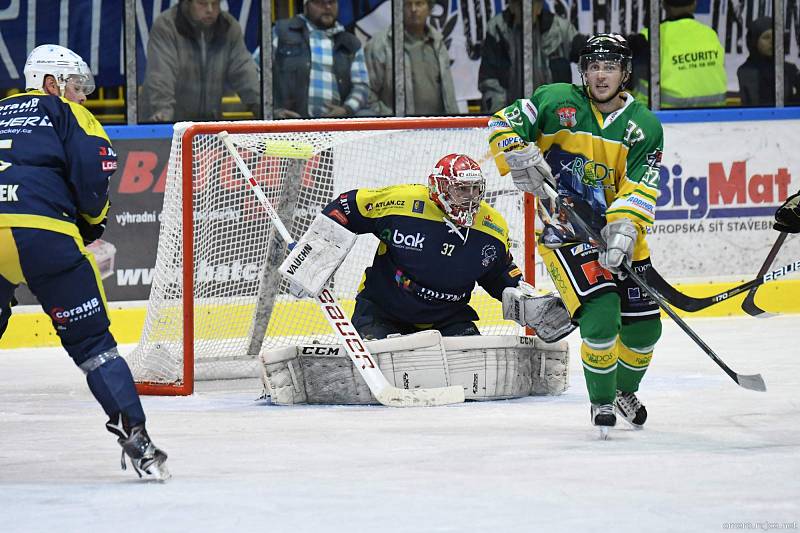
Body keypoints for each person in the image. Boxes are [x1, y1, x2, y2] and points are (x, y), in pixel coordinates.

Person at [0, 45, 168, 479]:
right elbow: (94, 178)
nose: (82, 96)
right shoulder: (68, 114)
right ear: (50, 84)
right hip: (43, 235)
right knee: (94, 346)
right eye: (75, 86)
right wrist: (92, 224)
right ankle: (137, 438)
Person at [487, 34, 665, 435]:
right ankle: (600, 402)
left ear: (625, 73)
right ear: (583, 71)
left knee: (644, 328)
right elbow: (503, 121)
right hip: (563, 233)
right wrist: (515, 149)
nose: (600, 75)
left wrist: (623, 232)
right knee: (601, 317)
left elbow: (641, 187)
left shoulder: (644, 127)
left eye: (610, 67)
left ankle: (622, 391)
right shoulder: (556, 100)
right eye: (594, 67)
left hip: (621, 234)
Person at [279, 153, 576, 343]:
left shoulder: (491, 225)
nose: (470, 199)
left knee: (472, 371)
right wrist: (313, 252)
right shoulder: (403, 203)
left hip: (449, 318)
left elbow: (499, 275)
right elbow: (347, 207)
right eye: (461, 189)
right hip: (383, 312)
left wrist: (527, 301)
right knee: (377, 369)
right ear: (439, 187)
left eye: (475, 190)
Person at [139, 0, 261, 122]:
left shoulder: (228, 28)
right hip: (168, 124)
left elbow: (245, 74)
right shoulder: (167, 26)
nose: (210, 10)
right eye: (202, 3)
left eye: (215, 4)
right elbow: (161, 77)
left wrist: (263, 107)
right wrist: (162, 116)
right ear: (187, 3)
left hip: (208, 125)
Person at [478, 0, 583, 112]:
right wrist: (501, 116)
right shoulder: (497, 29)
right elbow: (490, 81)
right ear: (512, 6)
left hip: (554, 116)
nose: (526, 11)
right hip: (511, 114)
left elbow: (588, 55)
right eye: (520, 5)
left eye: (533, 4)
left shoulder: (560, 29)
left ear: (540, 6)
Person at [272, 0, 370, 118]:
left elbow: (361, 86)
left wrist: (346, 109)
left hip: (337, 128)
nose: (327, 7)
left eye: (332, 2)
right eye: (320, 2)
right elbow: (257, 71)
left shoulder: (351, 43)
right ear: (306, 5)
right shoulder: (282, 32)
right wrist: (273, 111)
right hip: (287, 126)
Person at [364, 0, 458, 116]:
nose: (413, 9)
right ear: (399, 9)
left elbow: (449, 95)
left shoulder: (437, 43)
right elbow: (367, 94)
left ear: (429, 9)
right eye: (408, 4)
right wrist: (393, 120)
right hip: (398, 131)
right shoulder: (380, 45)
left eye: (419, 4)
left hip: (437, 129)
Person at [629, 0, 727, 108]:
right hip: (716, 114)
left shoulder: (649, 36)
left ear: (664, 5)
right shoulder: (710, 34)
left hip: (662, 114)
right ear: (694, 5)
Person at [737, 16, 800, 107]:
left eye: (775, 36)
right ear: (754, 41)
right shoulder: (745, 71)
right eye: (766, 37)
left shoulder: (790, 70)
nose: (772, 41)